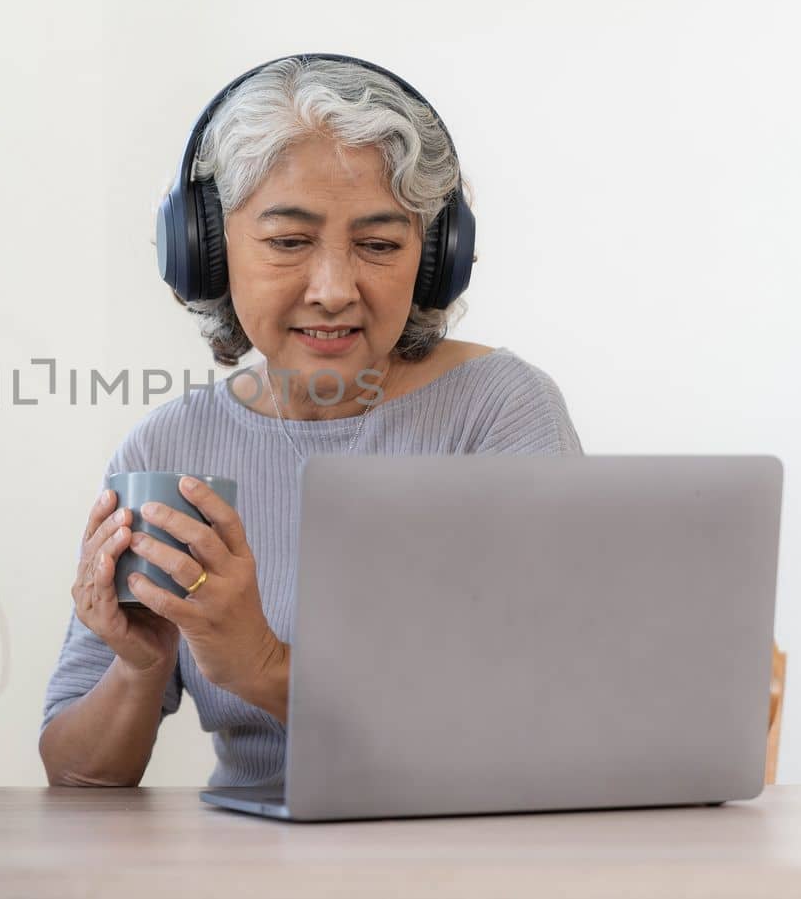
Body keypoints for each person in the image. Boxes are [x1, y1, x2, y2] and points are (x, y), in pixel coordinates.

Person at [38, 54, 582, 788]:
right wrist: (141, 667)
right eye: (289, 242)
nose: (332, 289)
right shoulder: (171, 448)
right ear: (208, 252)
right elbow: (76, 773)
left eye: (380, 245)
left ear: (434, 259)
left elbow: (526, 723)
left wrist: (261, 664)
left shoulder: (499, 414)